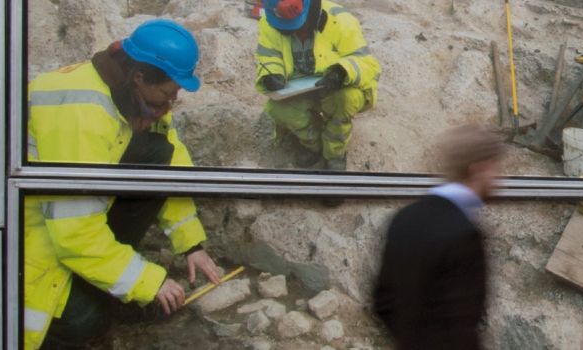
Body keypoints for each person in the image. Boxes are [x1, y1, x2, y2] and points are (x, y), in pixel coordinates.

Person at [22, 19, 225, 350]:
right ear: (140, 77)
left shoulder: (142, 99)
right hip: (34, 232)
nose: (170, 103)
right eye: (167, 92)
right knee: (84, 320)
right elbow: (75, 231)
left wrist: (191, 245)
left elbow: (170, 166)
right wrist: (148, 281)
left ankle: (105, 276)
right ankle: (78, 304)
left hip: (77, 214)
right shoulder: (81, 114)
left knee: (159, 148)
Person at [373, 124, 506, 349]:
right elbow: (460, 327)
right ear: (479, 168)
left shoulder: (404, 217)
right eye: (496, 169)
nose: (498, 179)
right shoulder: (465, 234)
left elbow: (384, 302)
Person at [255, 0, 381, 171]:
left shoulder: (340, 19)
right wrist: (271, 74)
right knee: (279, 109)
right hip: (301, 88)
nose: (293, 31)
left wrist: (341, 72)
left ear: (311, 9)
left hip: (337, 87)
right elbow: (269, 56)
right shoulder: (269, 23)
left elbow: (368, 64)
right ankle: (314, 146)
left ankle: (335, 154)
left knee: (343, 100)